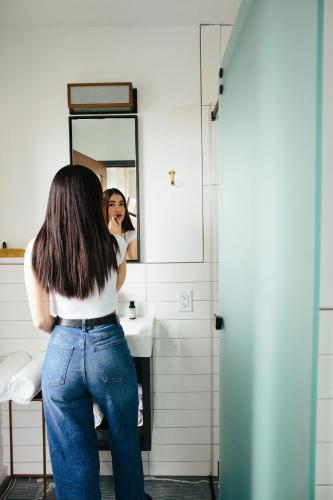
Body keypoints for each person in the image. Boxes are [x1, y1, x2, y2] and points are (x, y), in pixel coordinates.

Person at [24, 165, 151, 500]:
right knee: (125, 436)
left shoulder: (37, 247)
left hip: (61, 349)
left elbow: (40, 320)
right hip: (107, 342)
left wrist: (69, 336)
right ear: (93, 201)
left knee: (71, 450)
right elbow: (116, 286)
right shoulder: (109, 242)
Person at [103, 188, 137, 260]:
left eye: (121, 204)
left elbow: (131, 260)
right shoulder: (97, 236)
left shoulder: (133, 235)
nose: (118, 209)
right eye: (112, 204)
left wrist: (118, 238)